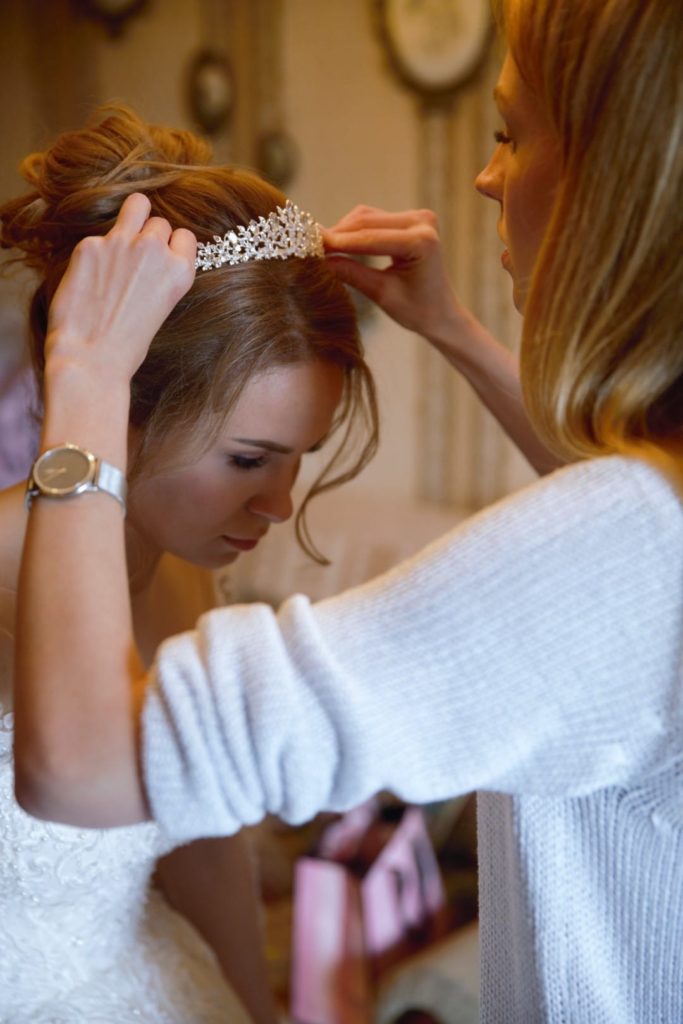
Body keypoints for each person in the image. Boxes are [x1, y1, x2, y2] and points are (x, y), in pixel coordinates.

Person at [13, 0, 683, 1020]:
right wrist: (454, 331)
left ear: (616, 184)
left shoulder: (622, 545)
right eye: (248, 457)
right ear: (135, 416)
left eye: (509, 132)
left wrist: (88, 379)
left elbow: (91, 773)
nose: (484, 176)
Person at [0, 104, 378, 1021]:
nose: (279, 504)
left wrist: (252, 1006)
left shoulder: (182, 571)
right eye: (248, 460)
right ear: (120, 405)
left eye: (300, 457)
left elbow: (202, 845)